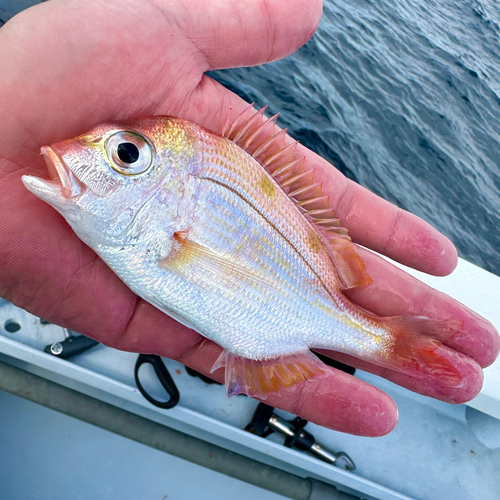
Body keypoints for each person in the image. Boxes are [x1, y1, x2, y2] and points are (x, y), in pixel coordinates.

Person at [0, 0, 497, 437]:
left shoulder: (173, 225)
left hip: (286, 303)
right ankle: (383, 341)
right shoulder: (156, 226)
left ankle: (385, 342)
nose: (80, 159)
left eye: (126, 154)